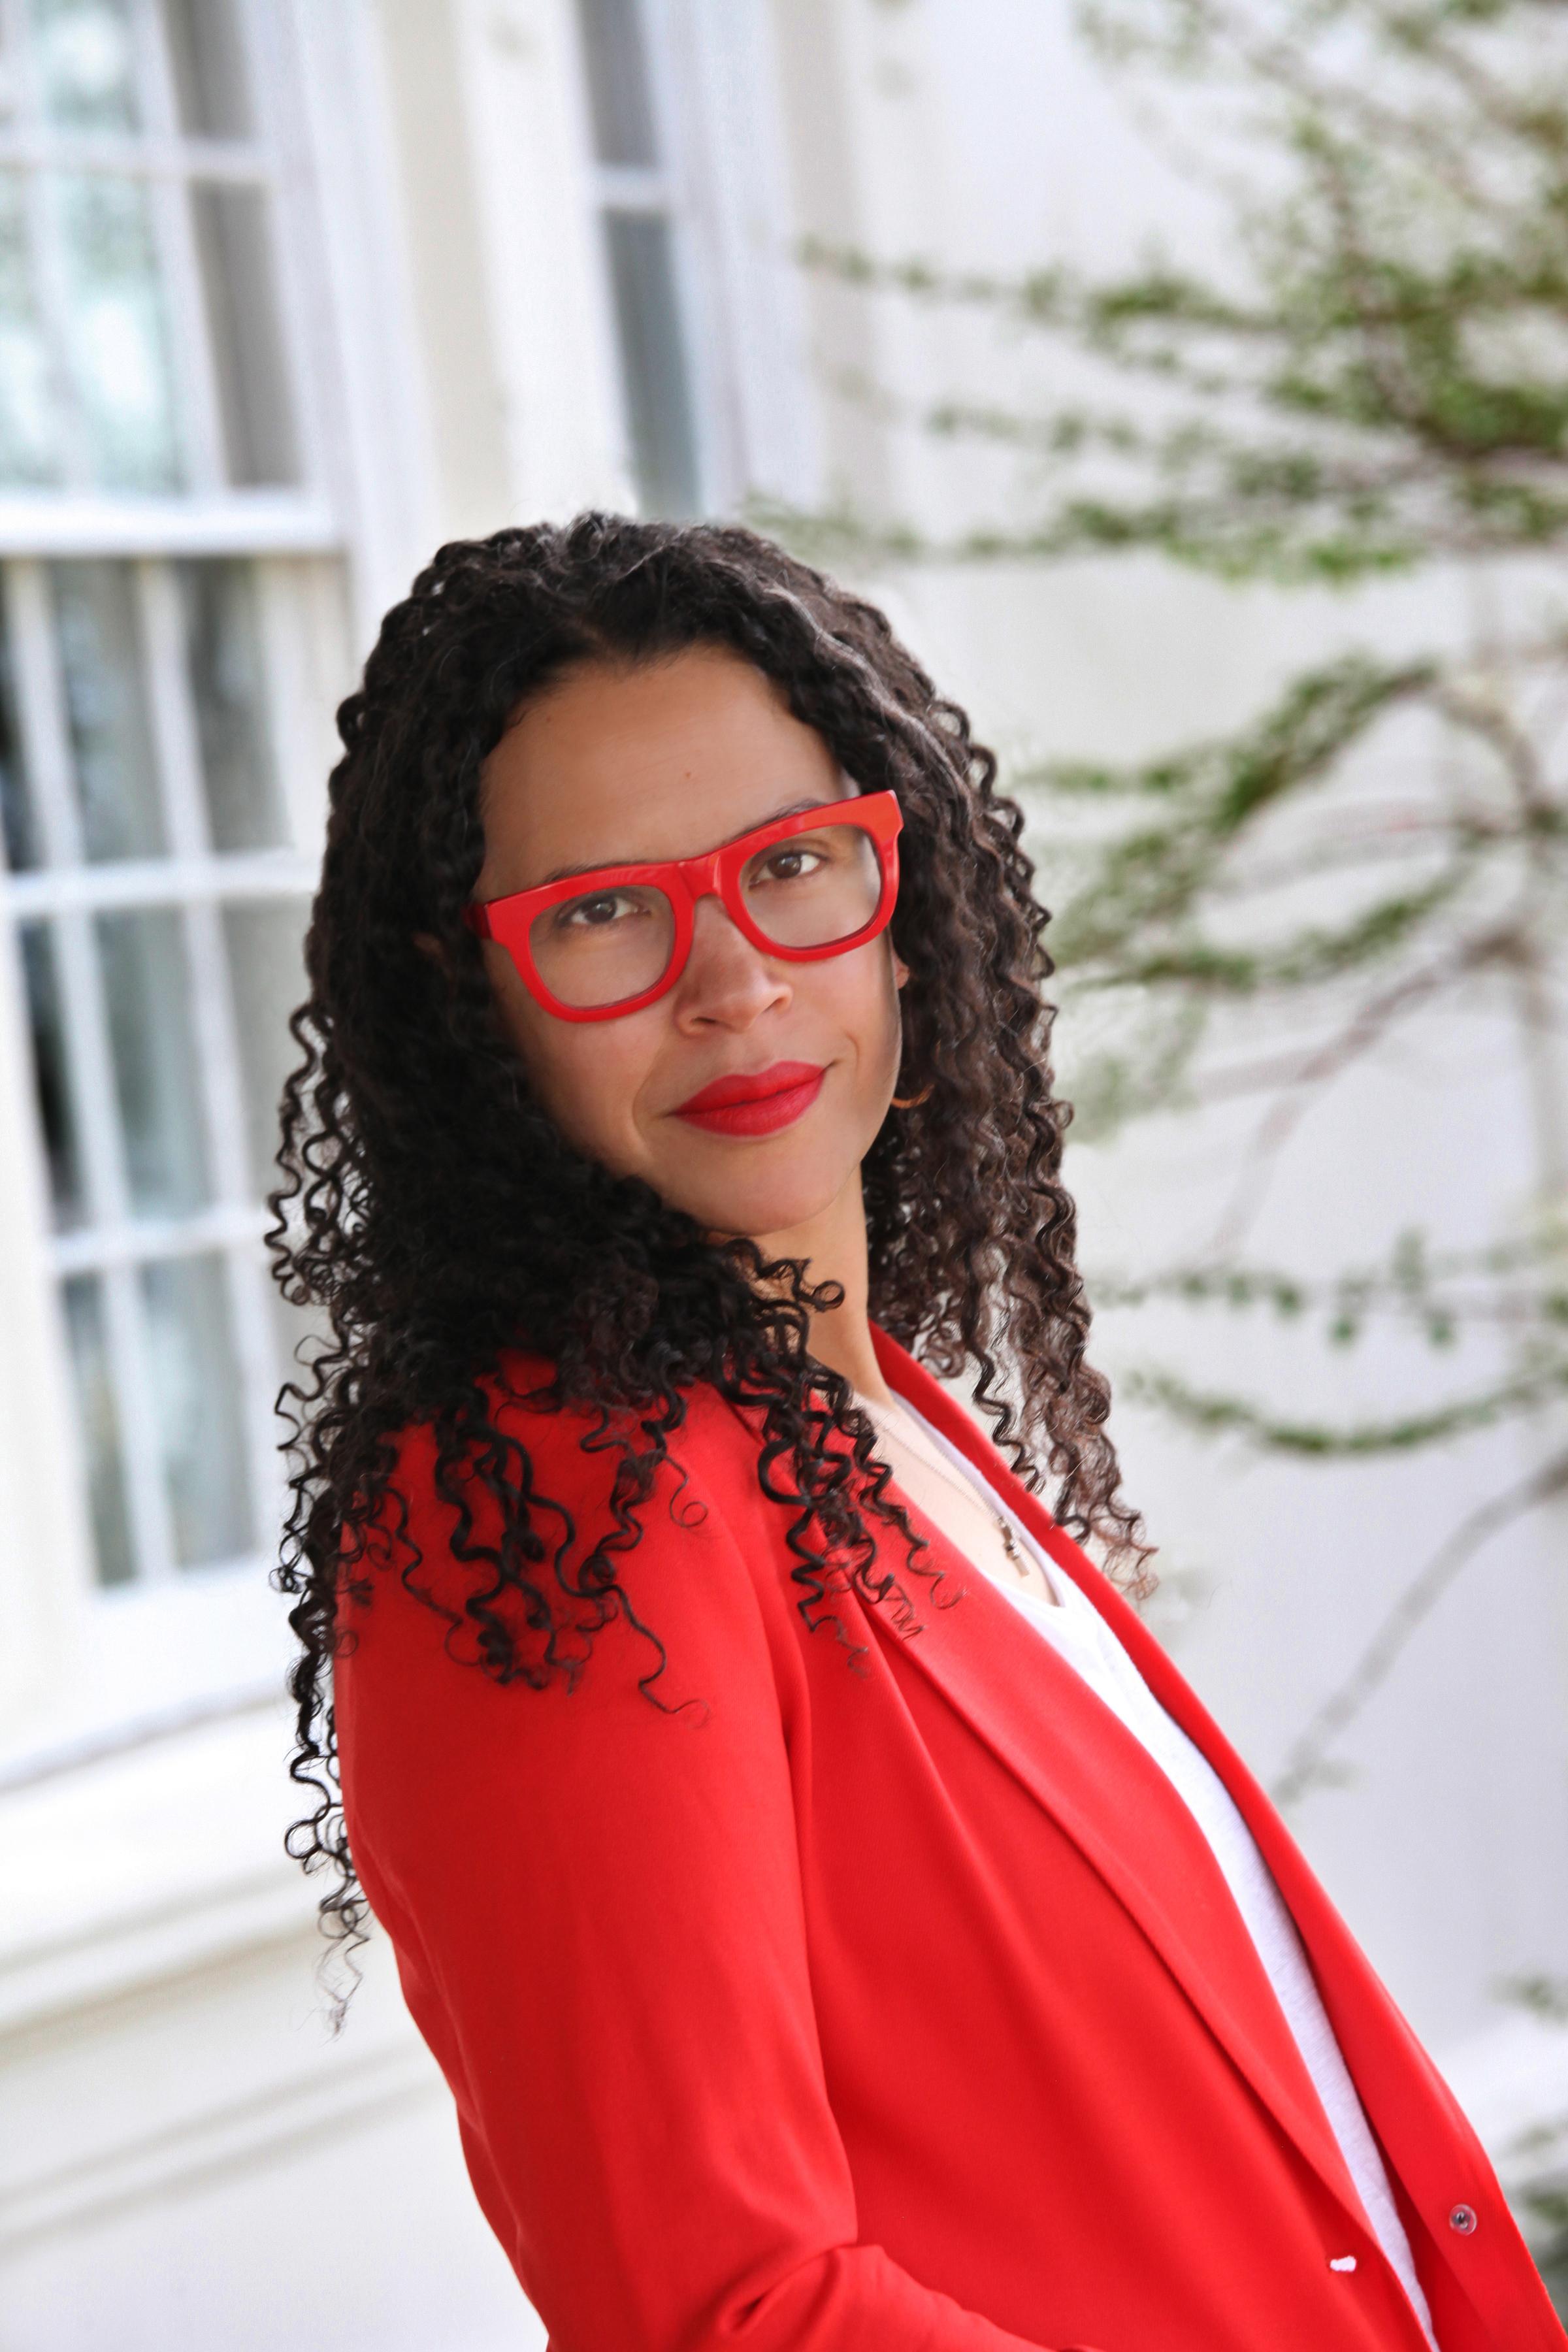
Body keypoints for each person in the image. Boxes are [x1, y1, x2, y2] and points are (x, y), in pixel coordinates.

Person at [272, 515, 1561, 2352]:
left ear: (906, 892)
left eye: (793, 865)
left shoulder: (874, 1420)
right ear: (463, 1000)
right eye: (602, 915)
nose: (733, 982)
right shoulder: (560, 1503)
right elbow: (726, 2305)